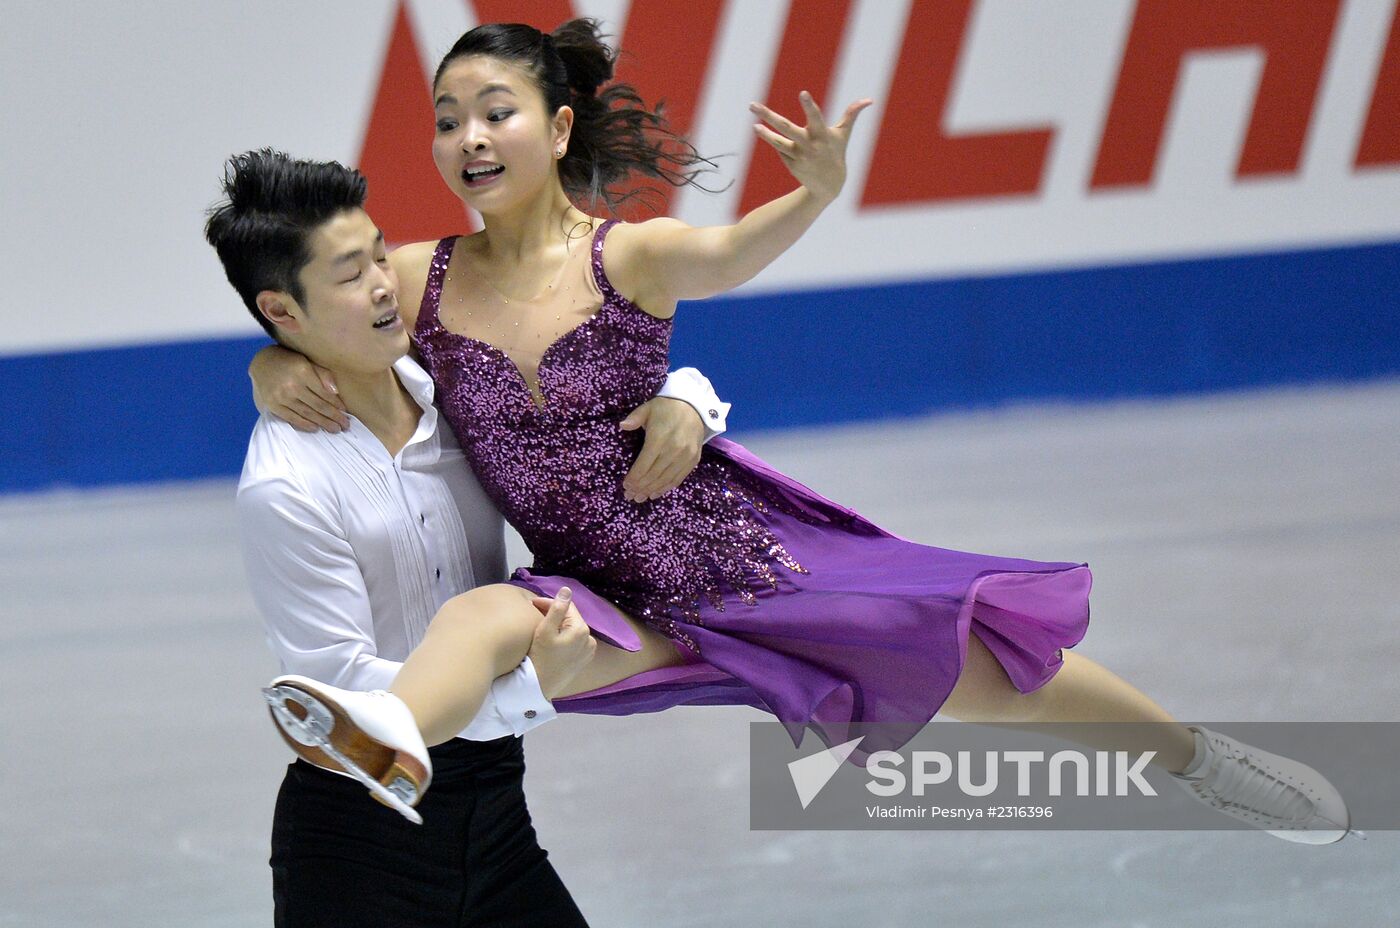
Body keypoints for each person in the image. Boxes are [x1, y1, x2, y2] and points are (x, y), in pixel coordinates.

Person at [250, 19, 1353, 845]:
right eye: (446, 118)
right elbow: (318, 312)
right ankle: (384, 732)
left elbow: (729, 256)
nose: (467, 136)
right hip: (607, 595)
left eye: (495, 109)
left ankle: (1198, 759)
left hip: (736, 561)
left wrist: (814, 194)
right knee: (494, 615)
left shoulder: (622, 258)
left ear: (558, 126)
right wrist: (270, 362)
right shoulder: (418, 278)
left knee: (983, 666)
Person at [206, 150, 739, 927]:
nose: (386, 284)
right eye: (350, 276)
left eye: (379, 255)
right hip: (357, 849)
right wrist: (530, 686)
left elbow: (587, 390)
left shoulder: (454, 385)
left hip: (495, 817)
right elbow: (344, 696)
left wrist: (685, 399)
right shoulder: (286, 487)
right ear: (283, 312)